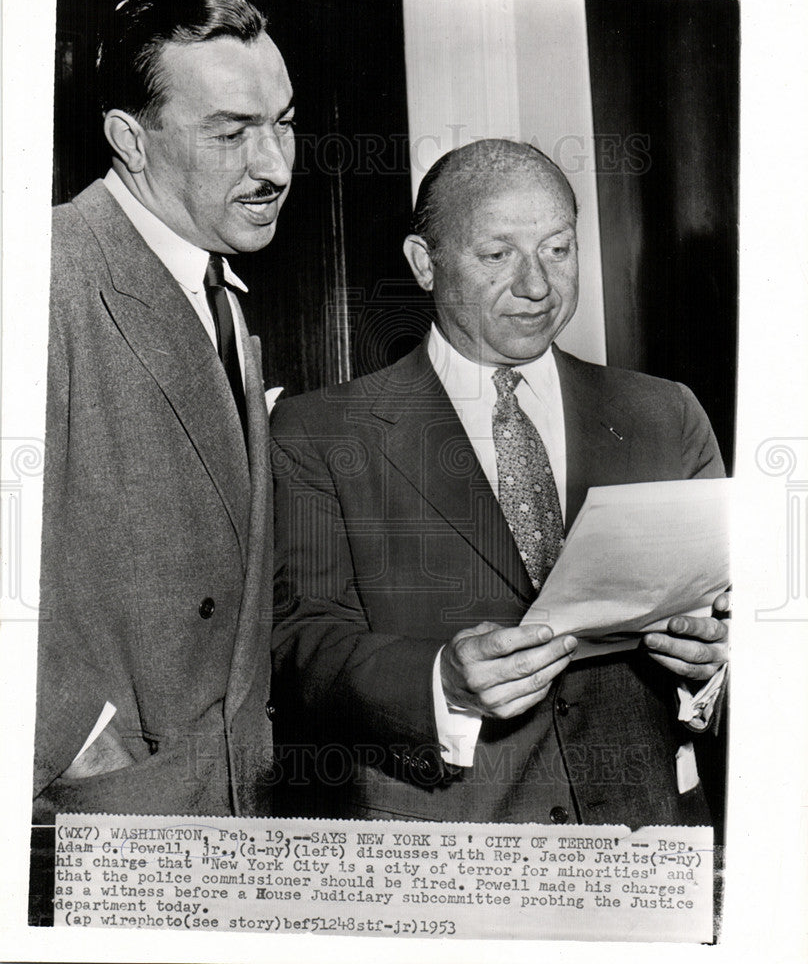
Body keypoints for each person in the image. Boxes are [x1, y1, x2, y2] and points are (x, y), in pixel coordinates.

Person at [270, 139, 728, 826]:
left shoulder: (666, 414)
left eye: (558, 249)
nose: (538, 285)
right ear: (424, 265)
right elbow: (300, 644)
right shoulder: (318, 435)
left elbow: (738, 615)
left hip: (648, 829)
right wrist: (443, 681)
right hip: (446, 853)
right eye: (498, 255)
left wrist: (718, 658)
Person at [33, 0, 295, 818]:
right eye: (231, 133)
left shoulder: (216, 285)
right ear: (128, 140)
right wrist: (77, 744)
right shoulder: (46, 273)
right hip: (104, 814)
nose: (276, 166)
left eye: (282, 122)